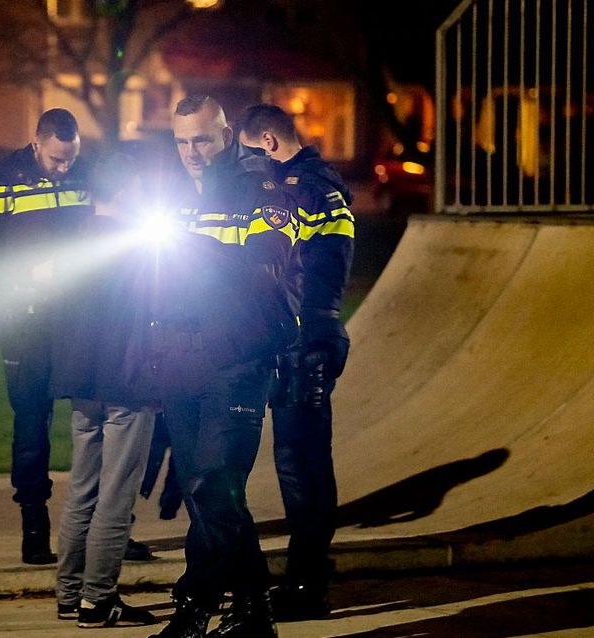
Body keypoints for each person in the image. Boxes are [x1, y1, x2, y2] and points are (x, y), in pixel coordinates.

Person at [148, 95, 296, 638]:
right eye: (182, 141)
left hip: (239, 354)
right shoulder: (169, 190)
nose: (192, 152)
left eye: (202, 140)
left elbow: (266, 265)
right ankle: (241, 611)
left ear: (227, 132)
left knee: (216, 480)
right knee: (199, 488)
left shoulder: (261, 182)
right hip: (181, 354)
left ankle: (213, 604)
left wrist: (190, 248)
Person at [238, 103, 355, 620]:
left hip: (304, 340)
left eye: (246, 151)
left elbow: (313, 272)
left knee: (301, 464)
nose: (244, 163)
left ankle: (308, 585)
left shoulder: (304, 188)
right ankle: (308, 578)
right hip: (303, 336)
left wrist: (307, 336)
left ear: (266, 143)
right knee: (299, 462)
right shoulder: (312, 182)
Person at [0, 108, 93, 565]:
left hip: (77, 316)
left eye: (71, 159)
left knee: (98, 414)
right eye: (57, 159)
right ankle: (34, 527)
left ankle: (104, 525)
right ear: (36, 143)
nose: (65, 168)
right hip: (24, 318)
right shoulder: (2, 178)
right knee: (31, 418)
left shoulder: (87, 171)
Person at [48, 151, 161, 628]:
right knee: (117, 494)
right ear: (128, 189)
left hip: (81, 379)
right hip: (127, 381)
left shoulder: (72, 235)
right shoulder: (140, 245)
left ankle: (69, 594)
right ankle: (99, 599)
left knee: (81, 489)